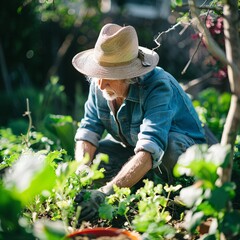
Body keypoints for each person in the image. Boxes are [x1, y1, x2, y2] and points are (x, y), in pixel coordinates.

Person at [72, 23, 206, 222]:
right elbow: (89, 129)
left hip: (181, 151)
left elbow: (150, 148)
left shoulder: (158, 87)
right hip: (134, 148)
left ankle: (172, 199)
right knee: (98, 155)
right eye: (98, 74)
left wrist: (108, 192)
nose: (100, 84)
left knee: (170, 148)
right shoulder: (99, 84)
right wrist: (82, 168)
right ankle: (135, 184)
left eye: (108, 76)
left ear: (129, 75)